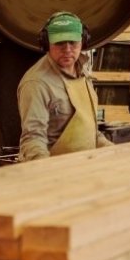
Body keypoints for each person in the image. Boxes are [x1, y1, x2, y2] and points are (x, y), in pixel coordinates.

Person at [17, 11, 113, 162]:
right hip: (54, 171)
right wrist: (47, 171)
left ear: (83, 41)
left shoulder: (83, 73)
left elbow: (91, 134)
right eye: (60, 43)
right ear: (46, 43)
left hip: (83, 167)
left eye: (73, 42)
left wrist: (116, 152)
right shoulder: (37, 83)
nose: (67, 49)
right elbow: (33, 139)